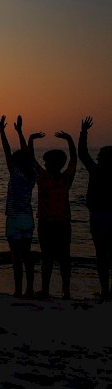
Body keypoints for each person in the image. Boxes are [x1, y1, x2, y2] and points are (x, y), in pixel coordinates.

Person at [0, 115, 41, 298]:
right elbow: (29, 156)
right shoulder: (32, 176)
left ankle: (18, 289)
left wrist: (2, 131)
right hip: (27, 218)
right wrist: (21, 133)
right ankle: (29, 288)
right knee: (28, 256)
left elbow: (8, 151)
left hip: (14, 219)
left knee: (16, 257)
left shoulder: (15, 174)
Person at [33, 130, 77, 300]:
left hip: (47, 224)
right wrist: (70, 140)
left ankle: (46, 290)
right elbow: (74, 160)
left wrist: (30, 140)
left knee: (48, 258)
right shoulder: (66, 178)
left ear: (51, 164)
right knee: (64, 258)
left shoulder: (44, 178)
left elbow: (31, 160)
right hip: (63, 223)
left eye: (46, 163)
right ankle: (65, 291)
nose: (44, 165)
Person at [79, 117, 112, 299]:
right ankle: (108, 291)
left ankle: (105, 291)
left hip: (99, 216)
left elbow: (82, 154)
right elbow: (83, 154)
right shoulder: (99, 170)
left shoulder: (97, 170)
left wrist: (83, 132)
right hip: (103, 215)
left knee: (101, 254)